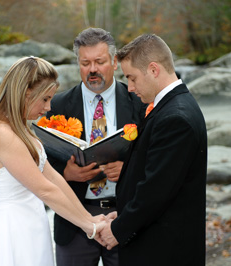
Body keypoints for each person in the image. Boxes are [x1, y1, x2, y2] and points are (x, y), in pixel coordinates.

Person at [0, 56, 105, 266]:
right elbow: (45, 190)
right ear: (26, 94)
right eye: (45, 99)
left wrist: (89, 218)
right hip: (9, 234)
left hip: (32, 229)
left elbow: (54, 179)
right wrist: (90, 228)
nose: (48, 107)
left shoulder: (23, 131)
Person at [98, 34, 208, 265]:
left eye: (132, 78)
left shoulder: (175, 118)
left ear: (154, 69)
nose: (130, 87)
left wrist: (118, 230)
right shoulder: (170, 107)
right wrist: (125, 212)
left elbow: (156, 190)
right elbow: (153, 176)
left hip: (164, 250)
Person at [46, 28, 146, 266]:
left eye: (99, 62)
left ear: (114, 62)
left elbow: (154, 158)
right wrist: (65, 174)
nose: (92, 69)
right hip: (73, 220)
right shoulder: (56, 105)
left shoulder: (139, 102)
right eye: (85, 63)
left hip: (124, 216)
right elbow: (40, 161)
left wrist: (128, 171)